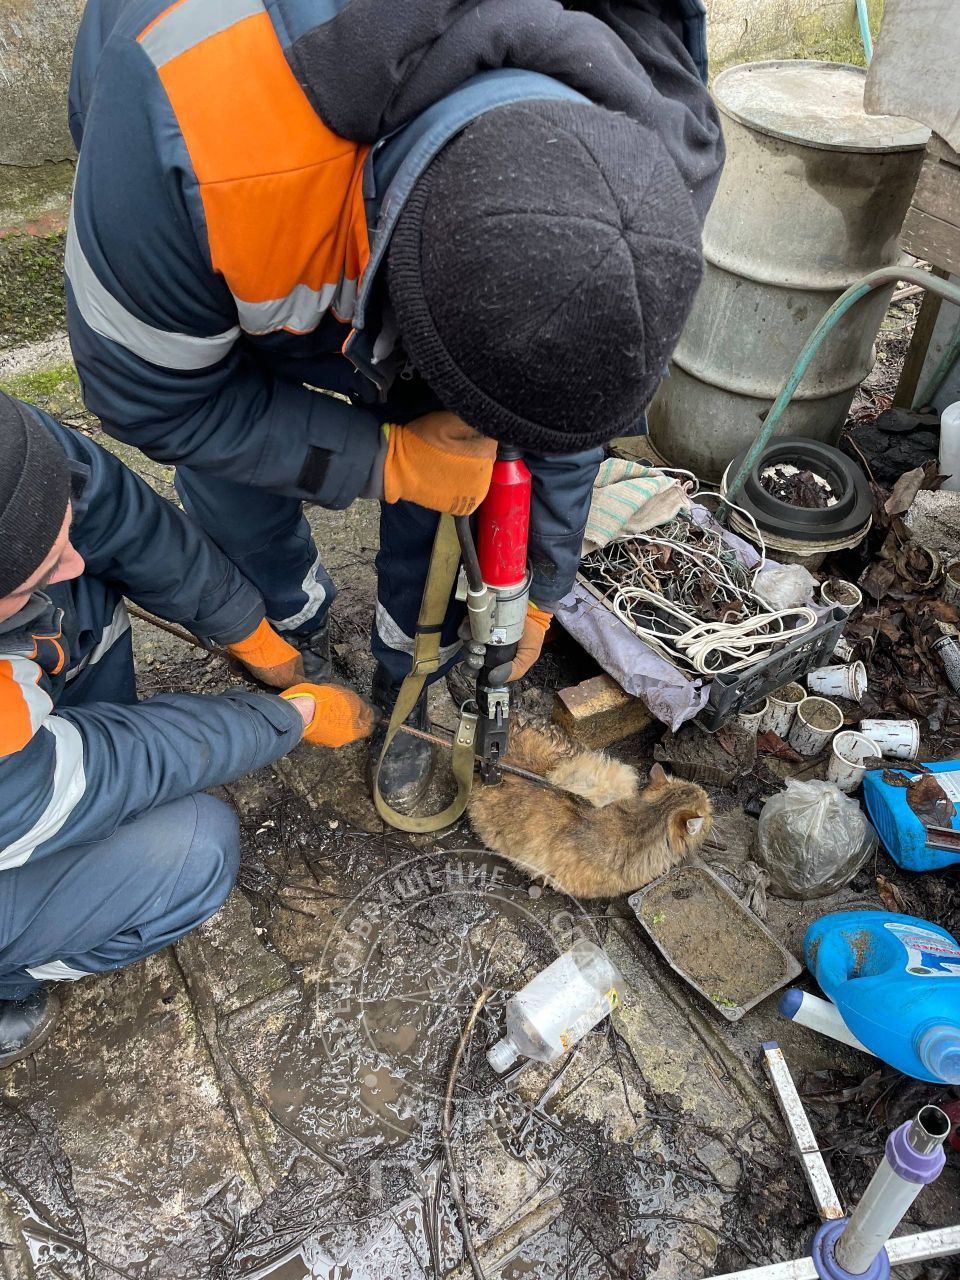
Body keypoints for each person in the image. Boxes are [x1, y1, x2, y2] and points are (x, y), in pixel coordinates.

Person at [66, 0, 724, 813]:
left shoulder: (657, 164)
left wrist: (540, 588)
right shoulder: (188, 137)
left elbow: (560, 406)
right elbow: (164, 403)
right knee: (241, 465)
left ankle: (405, 682)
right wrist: (388, 459)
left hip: (386, 222)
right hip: (220, 162)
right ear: (393, 290)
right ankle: (289, 626)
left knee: (457, 465)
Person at [0, 392, 375, 1066]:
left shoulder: (13, 453)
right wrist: (293, 717)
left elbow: (115, 517)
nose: (72, 560)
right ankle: (11, 977)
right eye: (39, 562)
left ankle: (79, 817)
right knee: (196, 848)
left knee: (80, 589)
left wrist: (250, 636)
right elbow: (114, 765)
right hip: (12, 794)